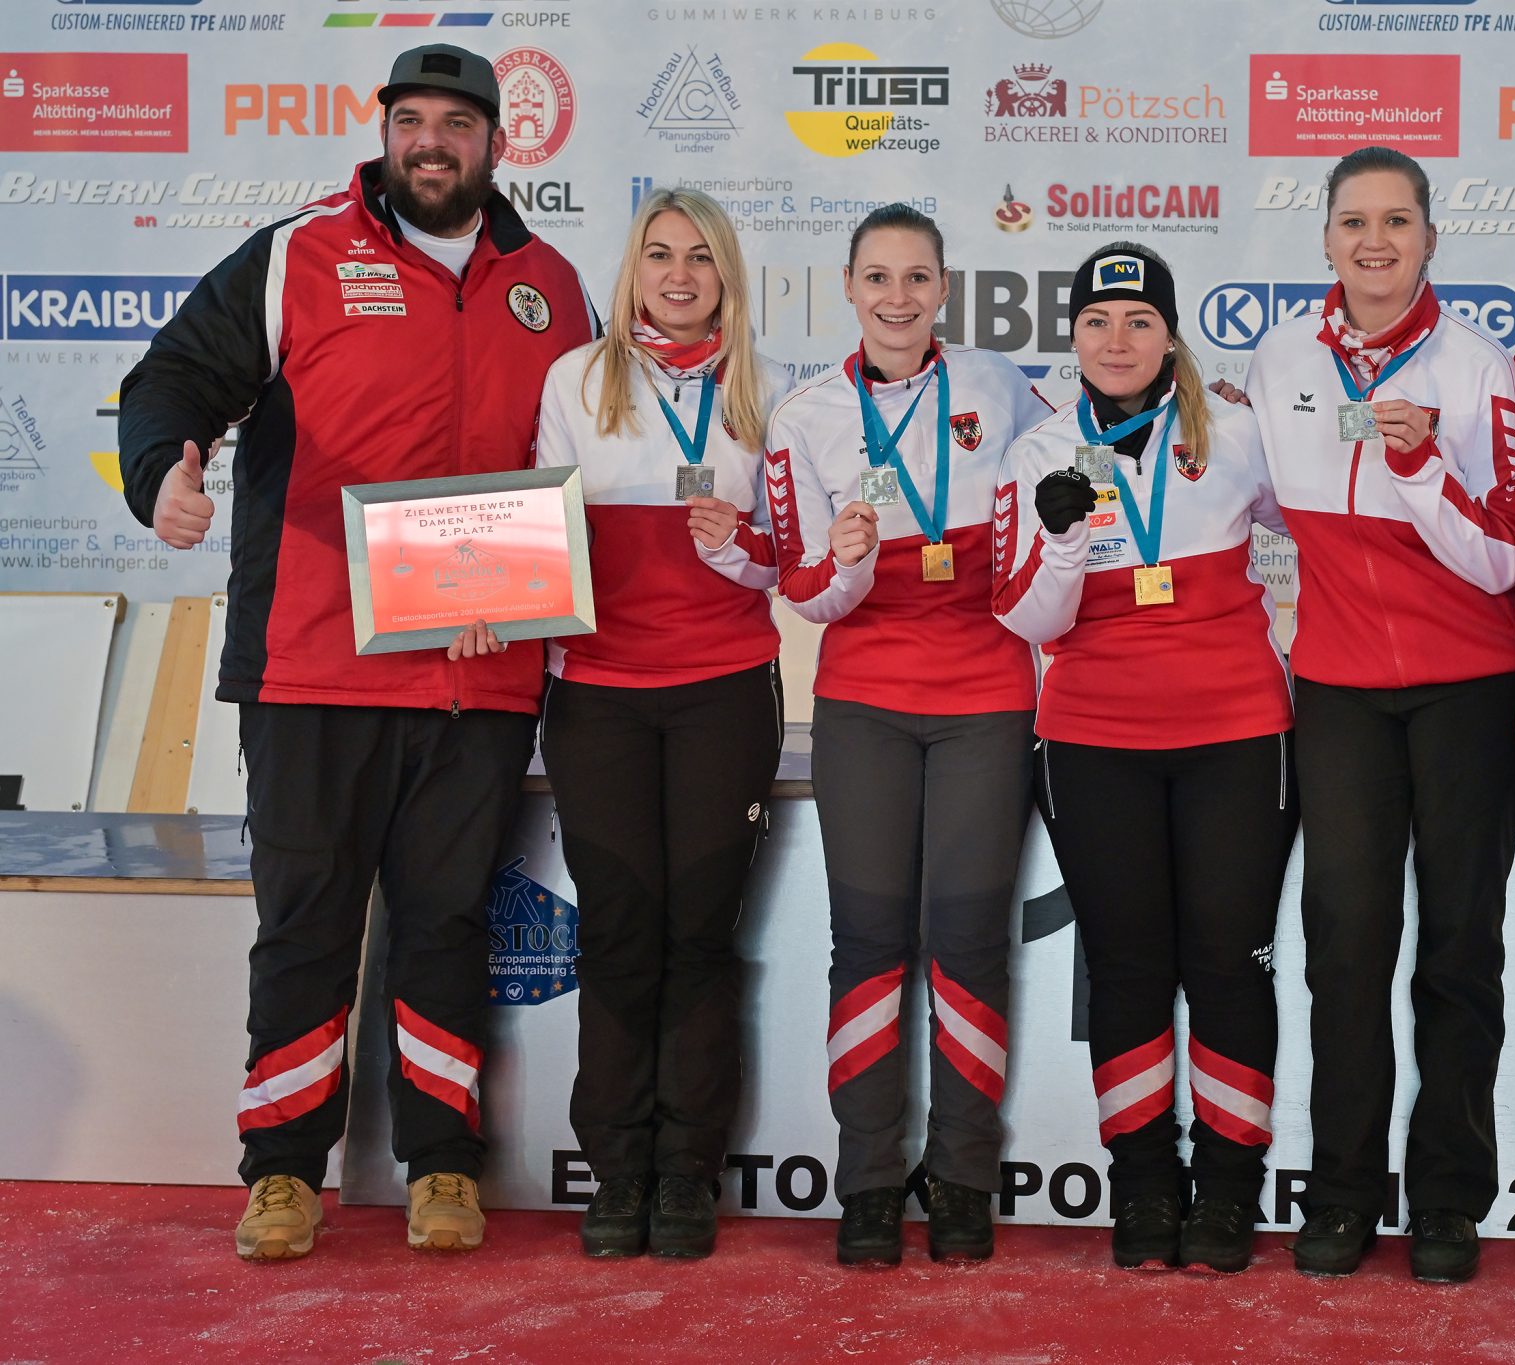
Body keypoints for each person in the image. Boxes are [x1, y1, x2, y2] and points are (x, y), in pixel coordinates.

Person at [117, 44, 596, 1260]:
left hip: (478, 675)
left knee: (444, 920)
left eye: (457, 125)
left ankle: (443, 1167)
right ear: (384, 131)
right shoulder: (298, 254)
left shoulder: (554, 287)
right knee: (307, 922)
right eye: (412, 121)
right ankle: (281, 1171)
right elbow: (172, 377)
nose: (431, 143)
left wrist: (536, 592)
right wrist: (158, 478)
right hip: (310, 665)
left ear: (497, 142)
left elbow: (579, 472)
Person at [1242, 146, 1515, 1282]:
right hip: (1340, 691)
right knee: (1343, 953)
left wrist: (1420, 468)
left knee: (1458, 949)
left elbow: (1502, 558)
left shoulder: (1477, 366)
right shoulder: (1279, 359)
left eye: (1396, 222)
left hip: (1468, 689)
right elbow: (1255, 496)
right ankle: (1344, 1191)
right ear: (1322, 238)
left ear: (1427, 240)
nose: (1374, 242)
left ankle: (1449, 1202)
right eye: (1353, 221)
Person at [994, 242, 1296, 1274]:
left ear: (1168, 335)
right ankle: (1142, 1189)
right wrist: (1066, 546)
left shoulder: (1236, 433)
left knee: (1230, 961)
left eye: (1136, 322)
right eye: (1095, 323)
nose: (1115, 341)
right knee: (1125, 968)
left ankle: (1223, 1193)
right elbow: (1030, 619)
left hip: (1234, 737)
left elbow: (1316, 524)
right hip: (1093, 743)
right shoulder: (1038, 453)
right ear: (1071, 337)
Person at [767, 204, 1050, 1267]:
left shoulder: (998, 386)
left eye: (916, 278)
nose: (897, 298)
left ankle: (966, 1178)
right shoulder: (804, 417)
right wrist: (843, 559)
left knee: (970, 944)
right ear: (847, 287)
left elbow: (1083, 462)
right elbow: (804, 593)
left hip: (985, 699)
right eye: (876, 278)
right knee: (870, 946)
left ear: (942, 289)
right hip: (864, 708)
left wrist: (1199, 408)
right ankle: (870, 1183)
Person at [532, 188, 793, 1259]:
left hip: (724, 686)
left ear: (726, 276)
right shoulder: (574, 380)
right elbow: (533, 536)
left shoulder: (764, 389)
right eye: (657, 256)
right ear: (631, 270)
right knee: (617, 928)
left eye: (698, 258)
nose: (677, 276)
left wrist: (738, 543)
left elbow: (794, 554)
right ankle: (616, 1166)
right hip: (595, 690)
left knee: (699, 930)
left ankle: (686, 1171)